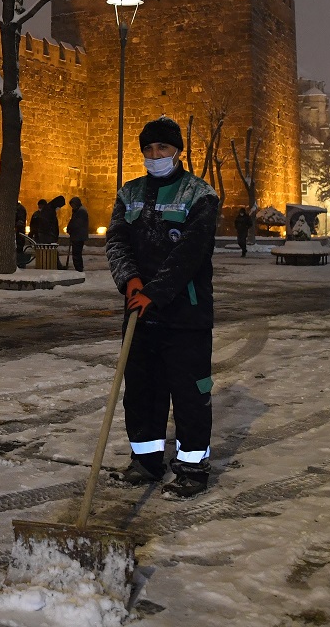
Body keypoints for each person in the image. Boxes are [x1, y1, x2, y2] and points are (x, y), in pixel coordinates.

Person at [106, 116, 220, 499]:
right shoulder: (129, 193)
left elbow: (191, 253)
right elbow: (117, 241)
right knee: (142, 392)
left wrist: (155, 291)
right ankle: (146, 461)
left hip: (186, 315)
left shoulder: (199, 195)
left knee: (190, 395)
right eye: (149, 149)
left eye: (163, 148)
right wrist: (129, 280)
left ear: (177, 151)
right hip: (140, 314)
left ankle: (192, 467)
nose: (155, 155)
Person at [67, 197, 90, 272]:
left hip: (79, 236)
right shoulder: (77, 211)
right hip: (77, 235)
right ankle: (78, 267)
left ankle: (79, 267)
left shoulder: (81, 211)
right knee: (76, 252)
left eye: (73, 205)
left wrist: (71, 228)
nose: (72, 207)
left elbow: (77, 223)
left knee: (77, 252)